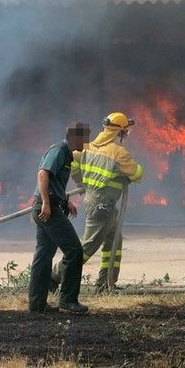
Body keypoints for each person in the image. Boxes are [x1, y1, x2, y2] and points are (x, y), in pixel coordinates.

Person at [72, 112, 143, 291]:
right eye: (125, 131)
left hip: (96, 202)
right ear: (119, 132)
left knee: (114, 242)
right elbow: (137, 174)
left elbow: (73, 164)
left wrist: (81, 181)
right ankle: (54, 278)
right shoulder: (119, 153)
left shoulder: (88, 147)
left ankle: (105, 283)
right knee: (87, 247)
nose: (127, 135)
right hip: (102, 205)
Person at [28, 122, 91, 314]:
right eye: (84, 138)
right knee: (74, 251)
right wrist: (47, 203)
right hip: (49, 209)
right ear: (73, 137)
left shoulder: (66, 153)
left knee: (44, 255)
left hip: (50, 206)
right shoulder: (58, 151)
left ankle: (37, 304)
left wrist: (65, 201)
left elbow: (55, 183)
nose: (86, 142)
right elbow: (42, 175)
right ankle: (68, 300)